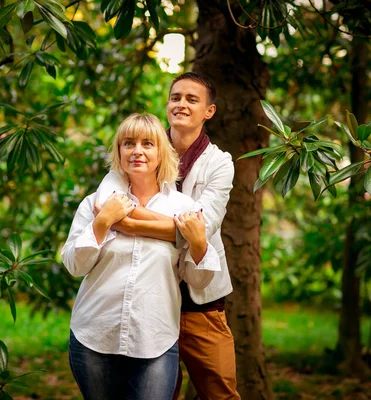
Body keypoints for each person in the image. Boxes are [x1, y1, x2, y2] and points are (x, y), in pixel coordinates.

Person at [94, 72, 240, 400]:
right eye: (176, 97)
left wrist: (128, 223)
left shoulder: (220, 163)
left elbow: (202, 227)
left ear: (209, 111)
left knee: (221, 393)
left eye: (192, 99)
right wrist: (177, 228)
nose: (181, 104)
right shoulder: (140, 147)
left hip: (201, 301)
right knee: (155, 394)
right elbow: (108, 205)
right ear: (167, 104)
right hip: (151, 297)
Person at [61, 113, 221, 400]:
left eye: (148, 144)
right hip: (94, 335)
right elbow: (74, 265)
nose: (137, 151)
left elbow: (199, 281)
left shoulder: (183, 207)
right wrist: (101, 223)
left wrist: (199, 244)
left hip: (155, 339)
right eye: (128, 143)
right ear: (118, 151)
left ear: (161, 152)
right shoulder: (96, 204)